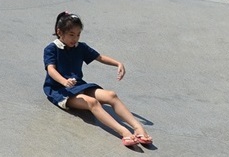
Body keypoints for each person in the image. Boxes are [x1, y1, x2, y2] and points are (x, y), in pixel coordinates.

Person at [43, 11, 153, 148]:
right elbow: (51, 69)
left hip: (78, 85)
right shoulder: (51, 49)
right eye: (71, 35)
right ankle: (124, 132)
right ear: (60, 32)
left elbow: (99, 57)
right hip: (60, 90)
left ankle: (138, 128)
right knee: (92, 102)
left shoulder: (80, 47)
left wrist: (118, 63)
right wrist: (64, 81)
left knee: (111, 95)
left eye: (78, 34)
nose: (75, 39)